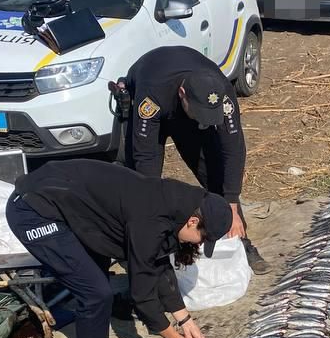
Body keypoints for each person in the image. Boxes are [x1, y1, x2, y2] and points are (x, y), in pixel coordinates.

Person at [5, 160, 232, 338]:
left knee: (97, 274)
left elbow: (156, 262)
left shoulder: (178, 204)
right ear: (193, 221)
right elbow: (142, 293)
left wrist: (185, 321)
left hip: (72, 204)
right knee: (95, 293)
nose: (200, 244)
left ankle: (100, 315)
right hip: (33, 211)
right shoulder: (150, 219)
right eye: (203, 238)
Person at [112, 46, 269, 275]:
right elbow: (145, 157)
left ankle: (240, 241)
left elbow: (234, 149)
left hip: (186, 115)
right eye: (199, 113)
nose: (203, 119)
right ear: (183, 93)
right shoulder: (151, 96)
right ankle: (143, 250)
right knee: (143, 186)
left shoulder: (222, 92)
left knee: (215, 172)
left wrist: (232, 205)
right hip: (154, 108)